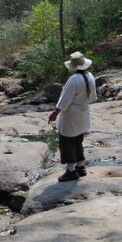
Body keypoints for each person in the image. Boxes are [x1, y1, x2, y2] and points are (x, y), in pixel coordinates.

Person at [48, 51, 98, 182]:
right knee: (78, 140)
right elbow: (93, 97)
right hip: (83, 113)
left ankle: (71, 171)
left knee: (67, 142)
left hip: (70, 116)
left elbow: (64, 100)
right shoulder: (90, 76)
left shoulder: (73, 80)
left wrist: (54, 113)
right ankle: (80, 167)